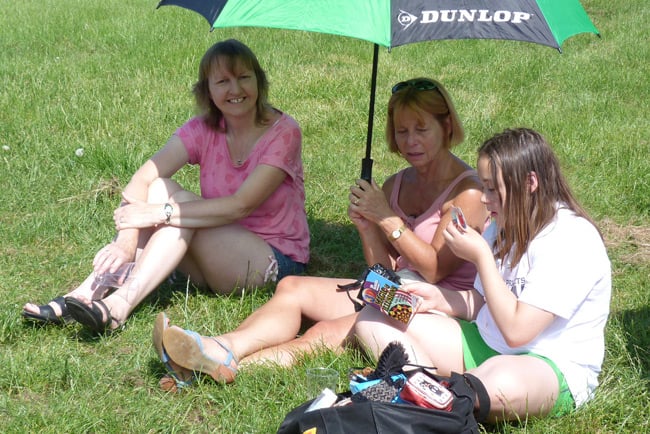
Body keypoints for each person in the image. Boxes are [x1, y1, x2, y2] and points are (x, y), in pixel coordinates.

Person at [154, 78, 490, 391]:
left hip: (433, 306)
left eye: (421, 129)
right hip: (393, 290)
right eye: (401, 131)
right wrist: (367, 229)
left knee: (325, 331)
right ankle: (223, 348)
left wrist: (385, 218)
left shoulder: (469, 193)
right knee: (291, 287)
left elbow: (433, 269)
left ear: (447, 127)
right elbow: (383, 270)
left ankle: (218, 369)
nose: (410, 141)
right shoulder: (397, 184)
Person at [22, 39, 309, 332]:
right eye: (223, 81)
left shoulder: (284, 131)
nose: (235, 90)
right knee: (159, 185)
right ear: (206, 91)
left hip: (268, 260)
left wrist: (161, 213)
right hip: (210, 255)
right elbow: (142, 178)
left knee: (172, 204)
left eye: (244, 77)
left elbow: (240, 206)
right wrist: (126, 240)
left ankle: (117, 304)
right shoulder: (203, 128)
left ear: (259, 81)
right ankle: (88, 292)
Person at [353, 128, 611, 422]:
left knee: (499, 379)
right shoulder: (500, 225)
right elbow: (480, 303)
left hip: (545, 364)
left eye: (492, 188)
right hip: (484, 343)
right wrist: (440, 299)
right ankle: (431, 397)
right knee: (371, 319)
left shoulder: (571, 237)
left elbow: (517, 333)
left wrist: (482, 257)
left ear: (530, 183)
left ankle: (425, 395)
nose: (485, 200)